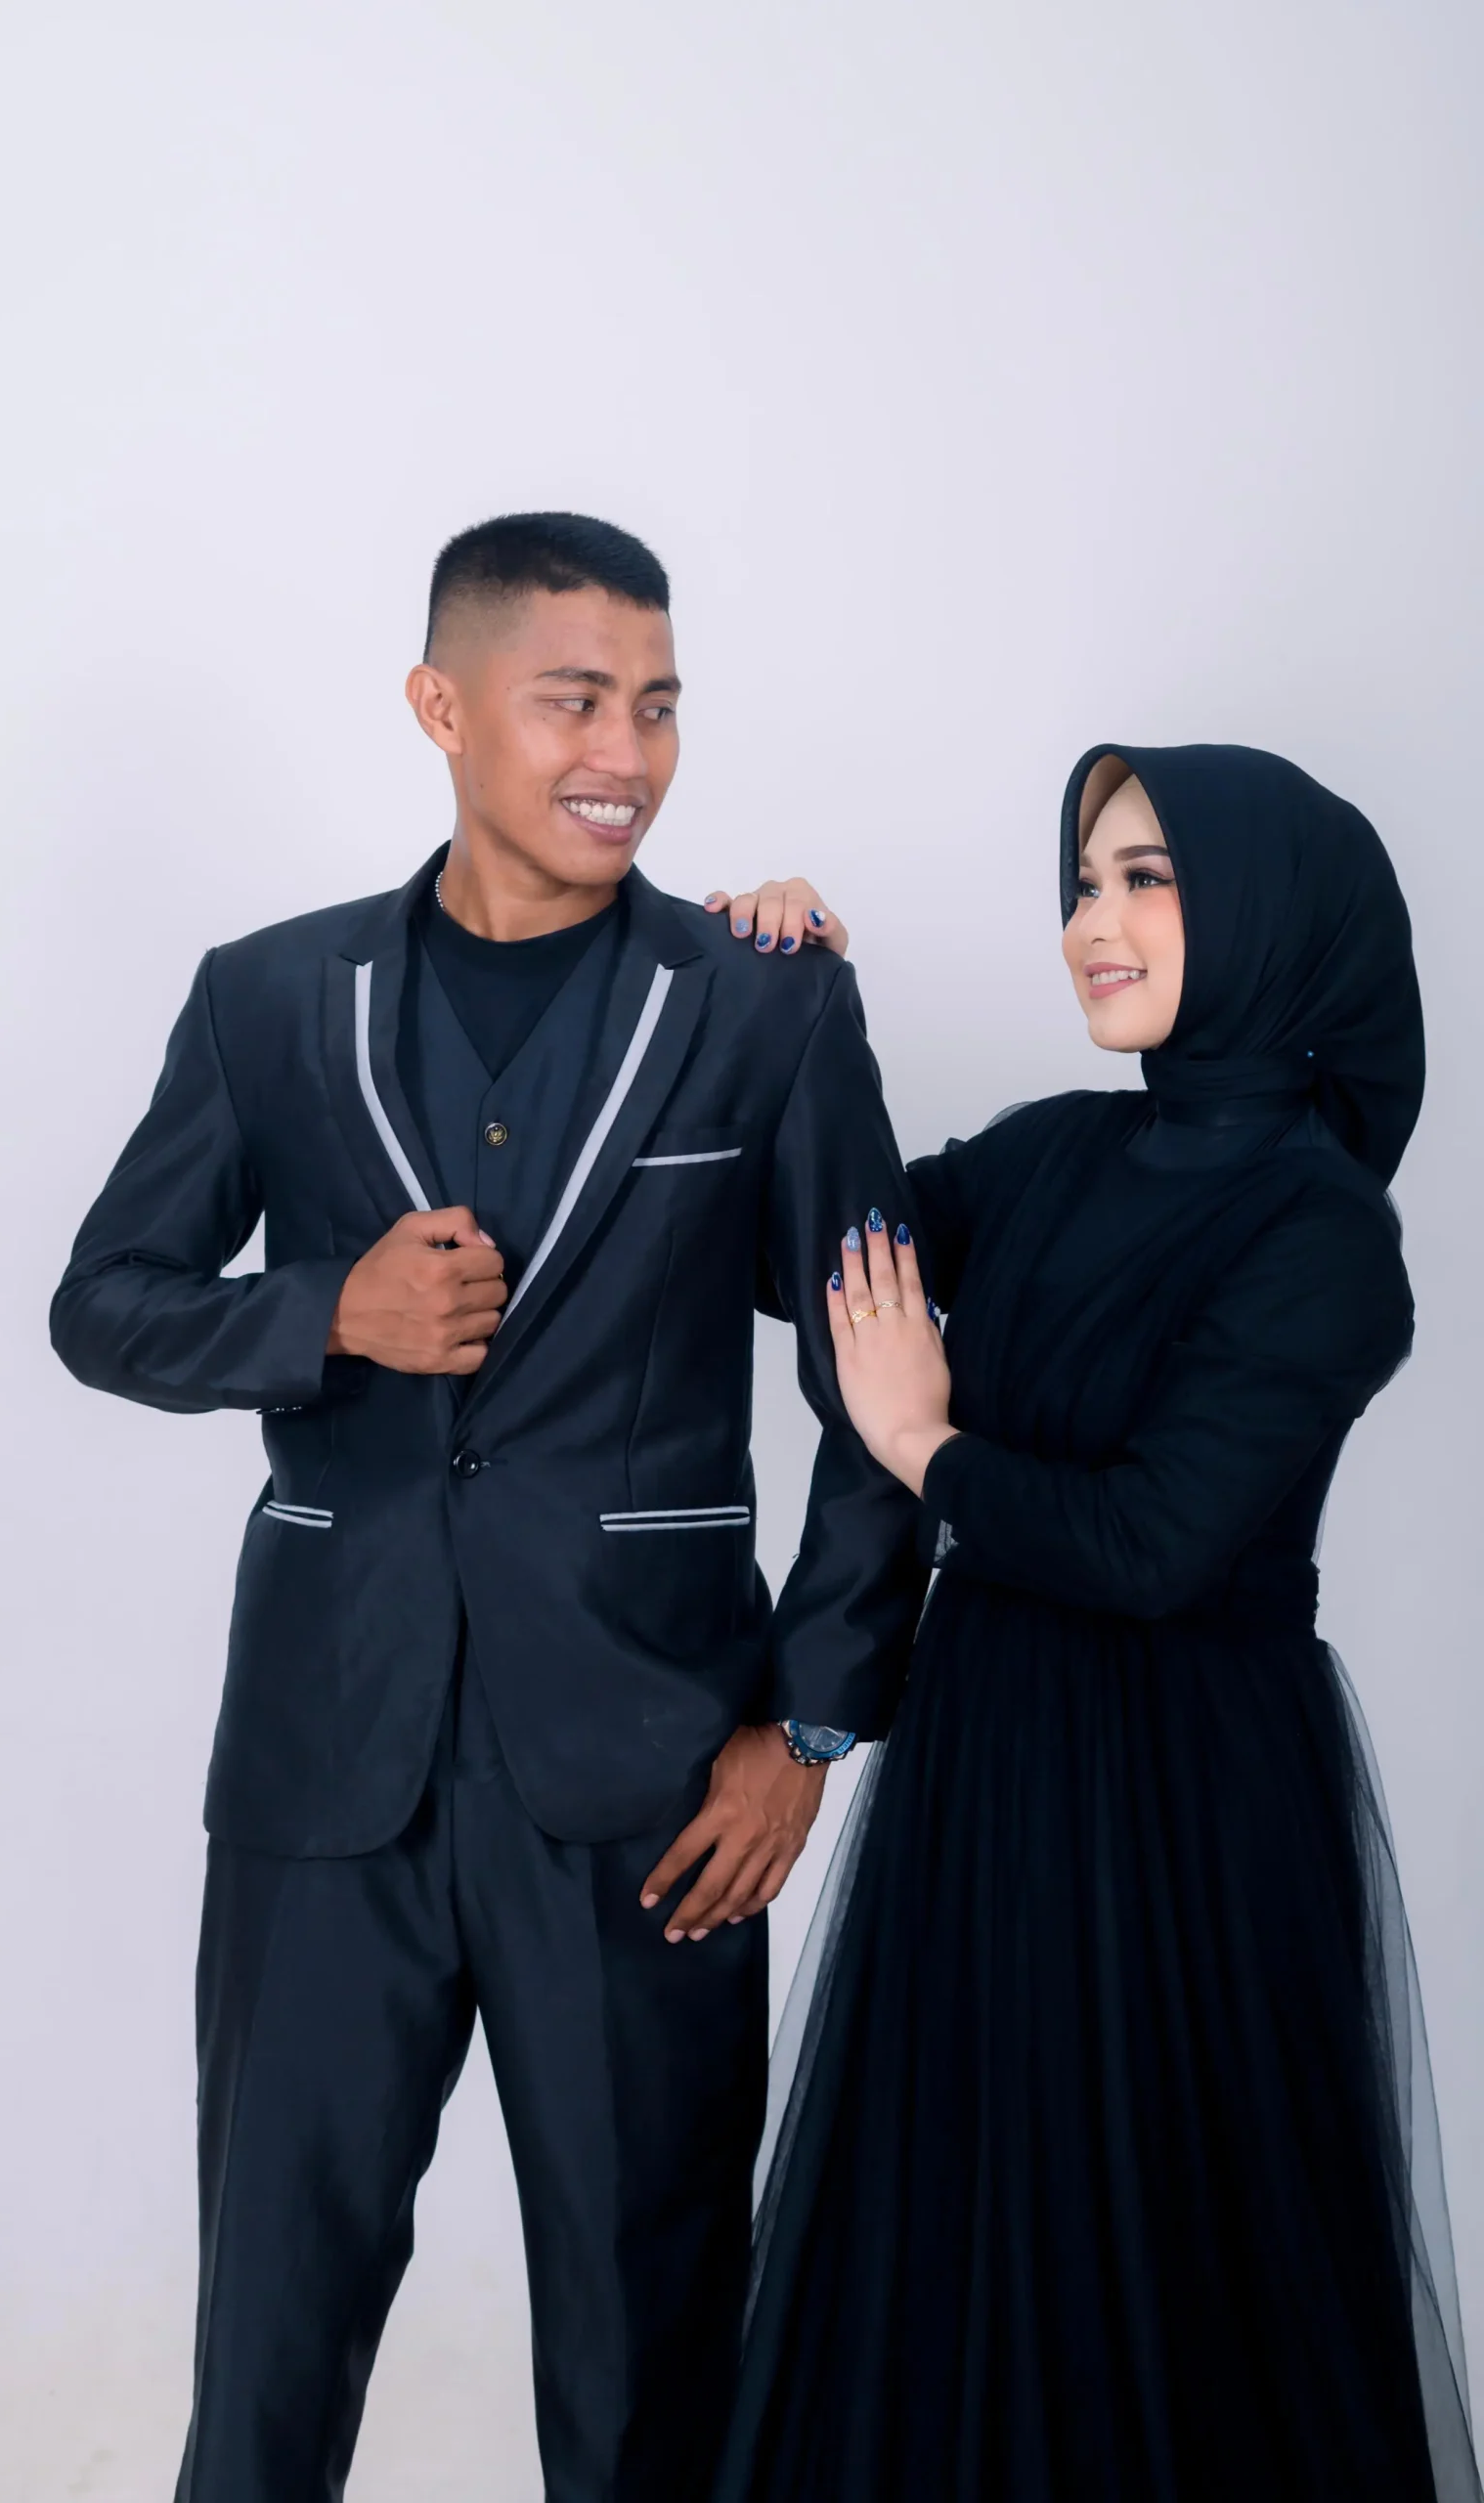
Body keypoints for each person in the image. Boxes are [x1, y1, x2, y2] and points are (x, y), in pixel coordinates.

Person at [49, 511, 924, 2503]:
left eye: (659, 705)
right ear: (441, 708)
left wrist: (807, 1723)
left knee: (648, 2369)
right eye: (574, 700)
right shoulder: (269, 994)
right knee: (267, 2357)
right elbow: (103, 1302)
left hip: (648, 1790)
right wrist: (322, 1314)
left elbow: (879, 1376)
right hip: (322, 1762)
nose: (626, 752)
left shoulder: (764, 1002)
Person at [708, 745, 1484, 2502]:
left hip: (1183, 1809)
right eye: (1080, 882)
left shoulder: (1322, 1231)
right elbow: (810, 1257)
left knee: (1158, 2262)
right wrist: (795, 1002)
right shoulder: (1055, 1154)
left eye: (1145, 878)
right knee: (962, 2235)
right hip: (990, 1764)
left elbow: (1151, 1547)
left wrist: (924, 1444)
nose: (1089, 924)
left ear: (1271, 917)